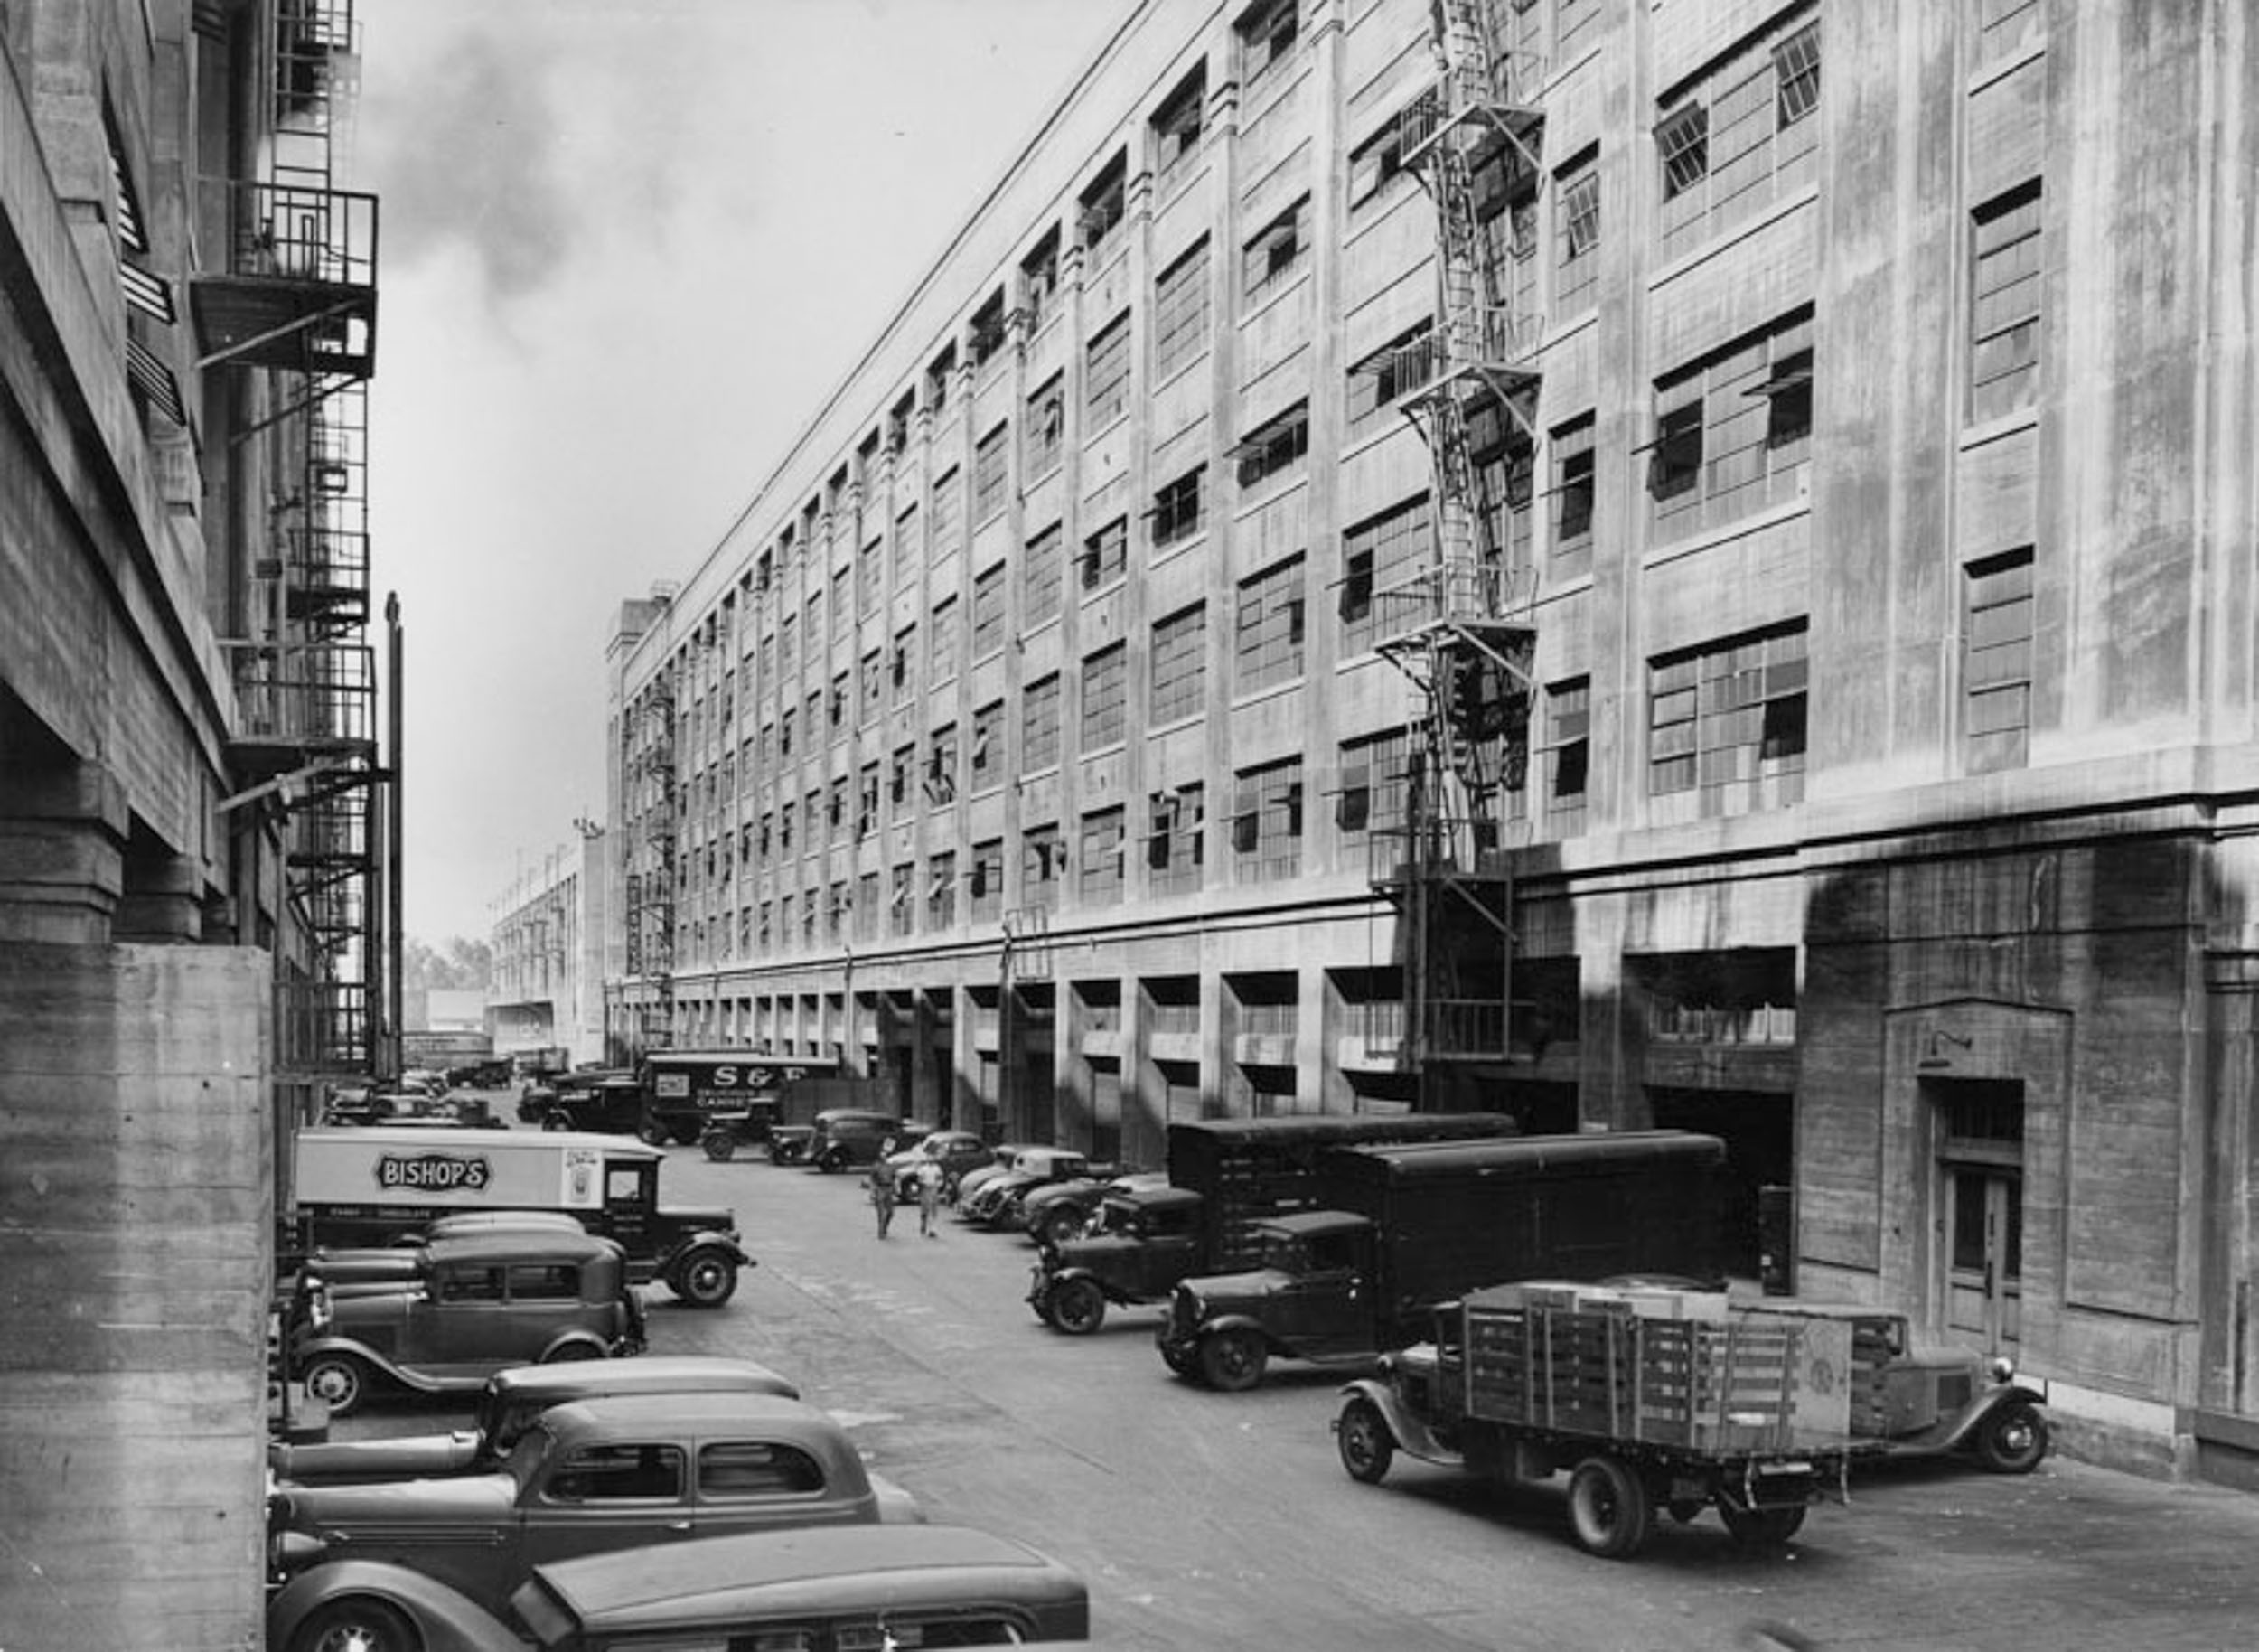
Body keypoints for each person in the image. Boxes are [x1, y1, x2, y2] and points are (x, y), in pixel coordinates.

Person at [868, 1139, 898, 1239]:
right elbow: (872, 1180)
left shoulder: (891, 1166)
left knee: (890, 1212)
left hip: (889, 1189)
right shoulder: (876, 1166)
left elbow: (894, 1178)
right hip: (880, 1189)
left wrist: (895, 1189)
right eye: (882, 1153)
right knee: (882, 1213)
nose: (884, 1155)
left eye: (885, 1153)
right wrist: (872, 1192)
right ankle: (881, 1232)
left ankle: (885, 1227)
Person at [916, 1158, 945, 1238]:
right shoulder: (922, 1168)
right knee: (926, 1209)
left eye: (932, 1158)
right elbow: (919, 1179)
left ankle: (932, 1230)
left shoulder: (937, 1168)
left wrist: (938, 1185)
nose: (930, 1160)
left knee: (934, 1209)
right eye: (929, 1158)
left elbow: (940, 1178)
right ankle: (923, 1223)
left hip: (934, 1189)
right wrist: (924, 1183)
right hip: (925, 1189)